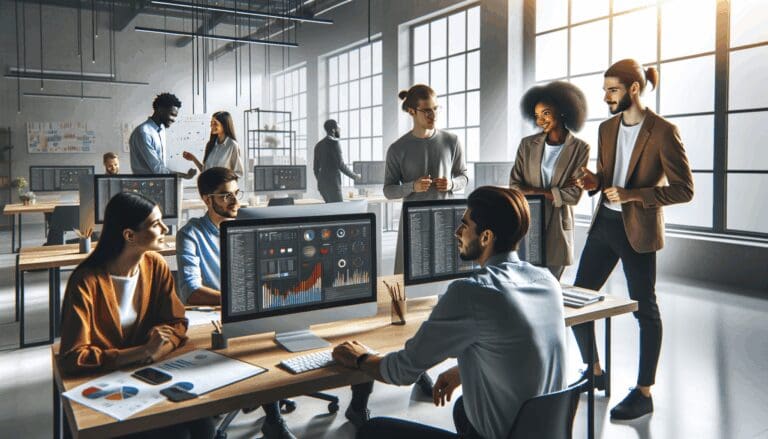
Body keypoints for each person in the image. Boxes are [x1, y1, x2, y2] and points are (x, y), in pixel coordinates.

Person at [332, 186, 567, 439]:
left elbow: (403, 370)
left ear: (486, 237)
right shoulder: (547, 281)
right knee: (463, 409)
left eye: (464, 225)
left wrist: (362, 358)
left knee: (372, 430)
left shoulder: (472, 292)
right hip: (544, 431)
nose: (456, 232)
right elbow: (522, 350)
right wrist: (461, 372)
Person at [175, 167, 374, 436]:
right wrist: (240, 301)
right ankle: (273, 420)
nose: (235, 202)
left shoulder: (252, 223)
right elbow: (190, 290)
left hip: (269, 301)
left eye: (236, 194)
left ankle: (359, 407)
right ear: (206, 199)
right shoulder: (191, 234)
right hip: (226, 316)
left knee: (354, 341)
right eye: (225, 197)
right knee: (263, 350)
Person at [571, 59, 694, 420]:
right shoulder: (607, 129)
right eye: (605, 89)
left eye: (612, 89)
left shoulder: (664, 131)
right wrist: (595, 182)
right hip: (604, 227)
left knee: (645, 309)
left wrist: (632, 195)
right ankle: (594, 372)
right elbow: (610, 176)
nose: (606, 96)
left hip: (638, 231)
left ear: (634, 89)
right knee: (578, 300)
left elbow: (684, 189)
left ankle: (644, 392)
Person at [59, 191, 214, 438]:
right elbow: (72, 357)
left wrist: (159, 347)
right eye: (155, 224)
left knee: (204, 422)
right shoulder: (86, 281)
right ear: (129, 235)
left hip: (150, 374)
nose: (165, 228)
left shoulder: (156, 264)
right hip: (108, 384)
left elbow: (176, 321)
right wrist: (141, 352)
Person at [383, 83, 469, 397]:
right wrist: (411, 187)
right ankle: (412, 364)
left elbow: (465, 176)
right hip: (414, 225)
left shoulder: (452, 140)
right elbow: (388, 190)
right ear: (411, 112)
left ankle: (459, 359)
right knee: (404, 297)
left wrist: (453, 184)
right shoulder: (398, 148)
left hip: (448, 223)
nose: (433, 114)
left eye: (435, 108)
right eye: (426, 110)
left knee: (450, 293)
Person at [510, 81, 590, 279]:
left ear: (562, 110)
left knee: (552, 286)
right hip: (529, 221)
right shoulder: (527, 145)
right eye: (537, 116)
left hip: (558, 226)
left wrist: (534, 191)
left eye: (545, 113)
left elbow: (573, 195)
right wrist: (555, 192)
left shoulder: (580, 148)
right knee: (526, 284)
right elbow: (514, 185)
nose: (540, 120)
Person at [129, 92, 196, 179]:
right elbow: (157, 169)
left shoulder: (161, 130)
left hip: (159, 182)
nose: (174, 119)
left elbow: (161, 166)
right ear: (160, 110)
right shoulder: (144, 133)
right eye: (172, 114)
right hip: (146, 185)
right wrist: (184, 175)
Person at [182, 111, 244, 179]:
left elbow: (238, 173)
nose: (211, 125)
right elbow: (205, 172)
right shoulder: (210, 144)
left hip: (222, 188)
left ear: (224, 125)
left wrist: (223, 179)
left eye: (215, 123)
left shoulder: (232, 145)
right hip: (208, 188)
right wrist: (193, 159)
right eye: (211, 123)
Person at [313, 119, 361, 202]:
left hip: (322, 185)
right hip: (333, 184)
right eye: (338, 128)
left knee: (330, 210)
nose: (340, 130)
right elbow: (341, 165)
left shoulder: (318, 145)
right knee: (339, 210)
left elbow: (315, 169)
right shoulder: (334, 143)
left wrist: (321, 180)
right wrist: (355, 176)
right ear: (333, 130)